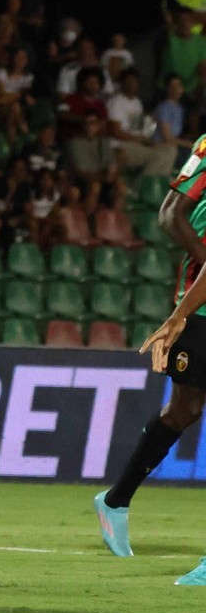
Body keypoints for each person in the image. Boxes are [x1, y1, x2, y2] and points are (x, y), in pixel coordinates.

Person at [96, 131, 206, 568]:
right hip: (198, 303)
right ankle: (116, 501)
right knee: (184, 410)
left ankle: (116, 501)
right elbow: (169, 214)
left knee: (187, 409)